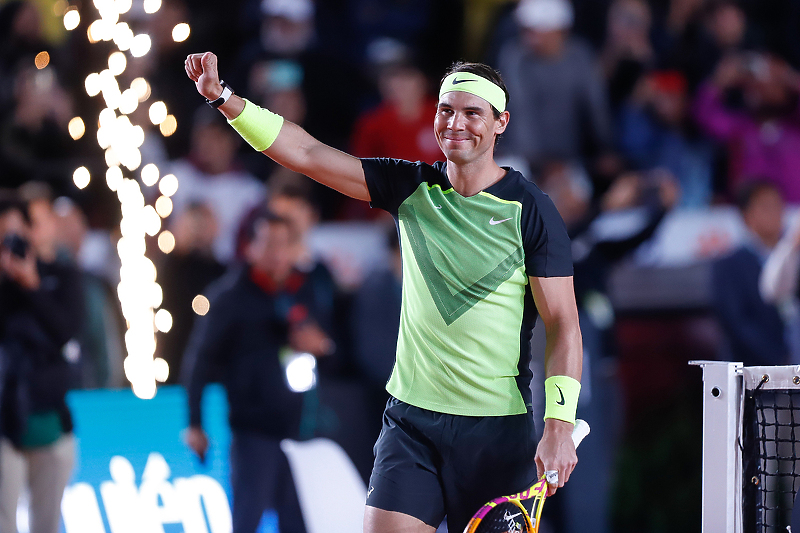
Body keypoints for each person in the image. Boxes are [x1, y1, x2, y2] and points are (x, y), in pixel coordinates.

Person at [185, 50, 583, 533]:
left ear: (500, 123)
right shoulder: (412, 189)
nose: (456, 123)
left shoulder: (532, 211)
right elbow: (309, 154)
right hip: (411, 424)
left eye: (473, 112)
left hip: (496, 432)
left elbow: (563, 322)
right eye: (446, 110)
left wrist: (560, 424)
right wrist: (226, 100)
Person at [181, 208, 334, 533]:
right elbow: (200, 359)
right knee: (248, 520)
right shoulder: (229, 297)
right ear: (250, 248)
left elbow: (334, 349)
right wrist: (194, 422)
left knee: (301, 521)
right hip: (253, 433)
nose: (277, 253)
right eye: (268, 244)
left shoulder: (304, 290)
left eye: (284, 243)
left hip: (301, 432)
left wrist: (322, 347)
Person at [0, 188, 83, 533]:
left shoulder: (61, 276)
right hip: (5, 423)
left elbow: (66, 331)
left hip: (50, 420)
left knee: (46, 525)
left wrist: (32, 284)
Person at [711, 180, 789, 367]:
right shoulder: (729, 265)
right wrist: (778, 359)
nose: (775, 213)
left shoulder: (792, 257)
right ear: (746, 216)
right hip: (756, 373)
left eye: (778, 205)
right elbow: (737, 323)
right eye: (765, 206)